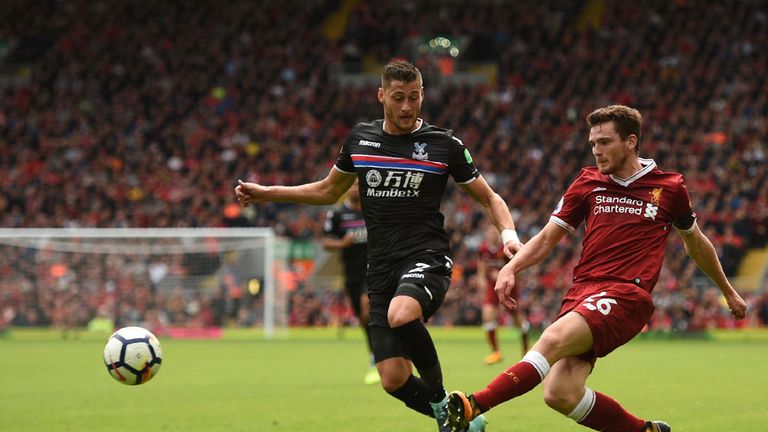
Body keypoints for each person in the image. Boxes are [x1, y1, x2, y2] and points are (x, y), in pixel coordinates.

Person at [235, 59, 523, 432]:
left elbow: (489, 198)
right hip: (380, 268)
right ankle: (468, 423)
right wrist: (268, 193)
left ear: (423, 96)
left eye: (414, 97)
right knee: (393, 378)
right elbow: (327, 190)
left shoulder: (443, 144)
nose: (407, 107)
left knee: (402, 314)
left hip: (427, 257)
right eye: (399, 98)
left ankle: (444, 409)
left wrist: (508, 236)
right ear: (381, 96)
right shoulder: (361, 139)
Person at [444, 105, 747, 432]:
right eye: (593, 143)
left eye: (604, 142)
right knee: (560, 393)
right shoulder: (588, 181)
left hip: (627, 294)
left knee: (552, 339)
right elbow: (547, 238)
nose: (596, 151)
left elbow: (696, 243)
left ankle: (473, 405)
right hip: (582, 293)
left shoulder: (669, 188)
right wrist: (511, 268)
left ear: (631, 142)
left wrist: (728, 291)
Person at [321, 179, 380, 385]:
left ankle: (380, 355)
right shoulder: (337, 214)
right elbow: (326, 241)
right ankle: (375, 354)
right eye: (353, 185)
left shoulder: (373, 208)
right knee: (364, 318)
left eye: (359, 185)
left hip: (374, 271)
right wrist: (341, 243)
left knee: (367, 308)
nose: (356, 188)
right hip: (352, 275)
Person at [476, 224, 530, 365]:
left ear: (499, 235)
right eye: (490, 231)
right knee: (487, 316)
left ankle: (526, 351)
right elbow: (481, 265)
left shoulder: (505, 249)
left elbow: (517, 266)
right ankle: (495, 352)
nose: (492, 234)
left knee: (517, 318)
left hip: (508, 286)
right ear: (487, 234)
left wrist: (502, 274)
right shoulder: (483, 249)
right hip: (491, 286)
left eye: (495, 232)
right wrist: (481, 278)